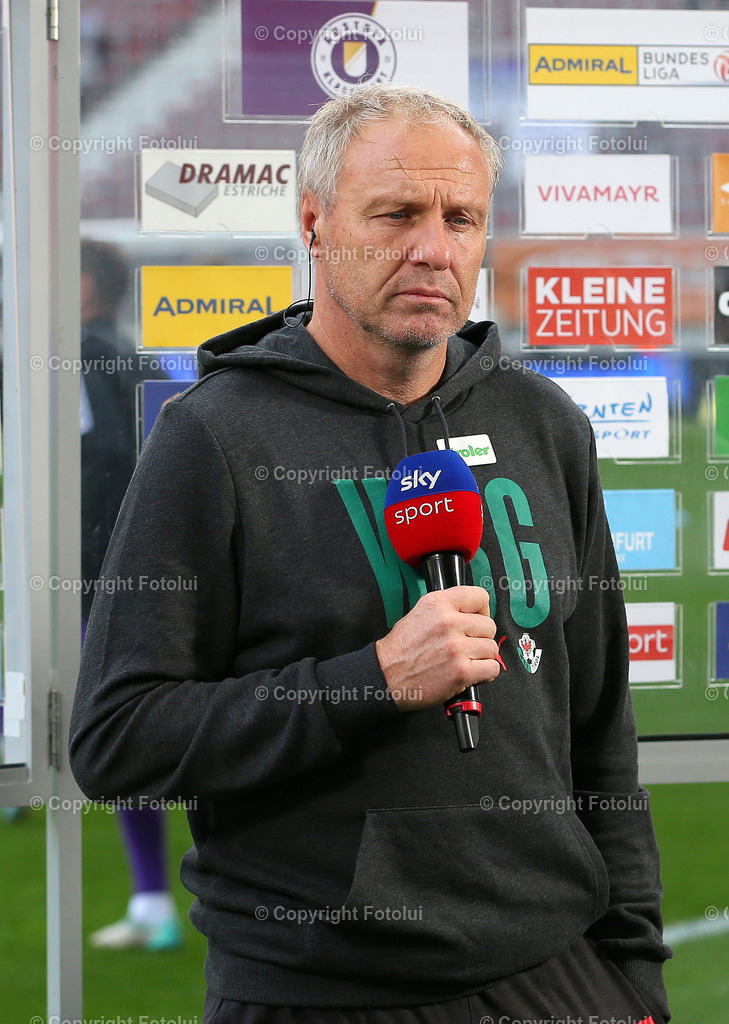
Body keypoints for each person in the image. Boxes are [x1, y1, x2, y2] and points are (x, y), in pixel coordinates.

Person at [70, 85, 672, 1022]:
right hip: (323, 992)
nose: (432, 247)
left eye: (459, 217)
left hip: (558, 980)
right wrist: (372, 680)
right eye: (395, 214)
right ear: (314, 221)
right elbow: (118, 739)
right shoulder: (215, 441)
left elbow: (601, 733)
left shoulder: (542, 424)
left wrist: (632, 976)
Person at [80, 239, 182, 951]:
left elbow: (109, 464)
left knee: (116, 733)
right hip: (140, 579)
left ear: (84, 286)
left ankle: (155, 901)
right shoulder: (138, 363)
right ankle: (155, 901)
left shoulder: (84, 359)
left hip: (100, 584)